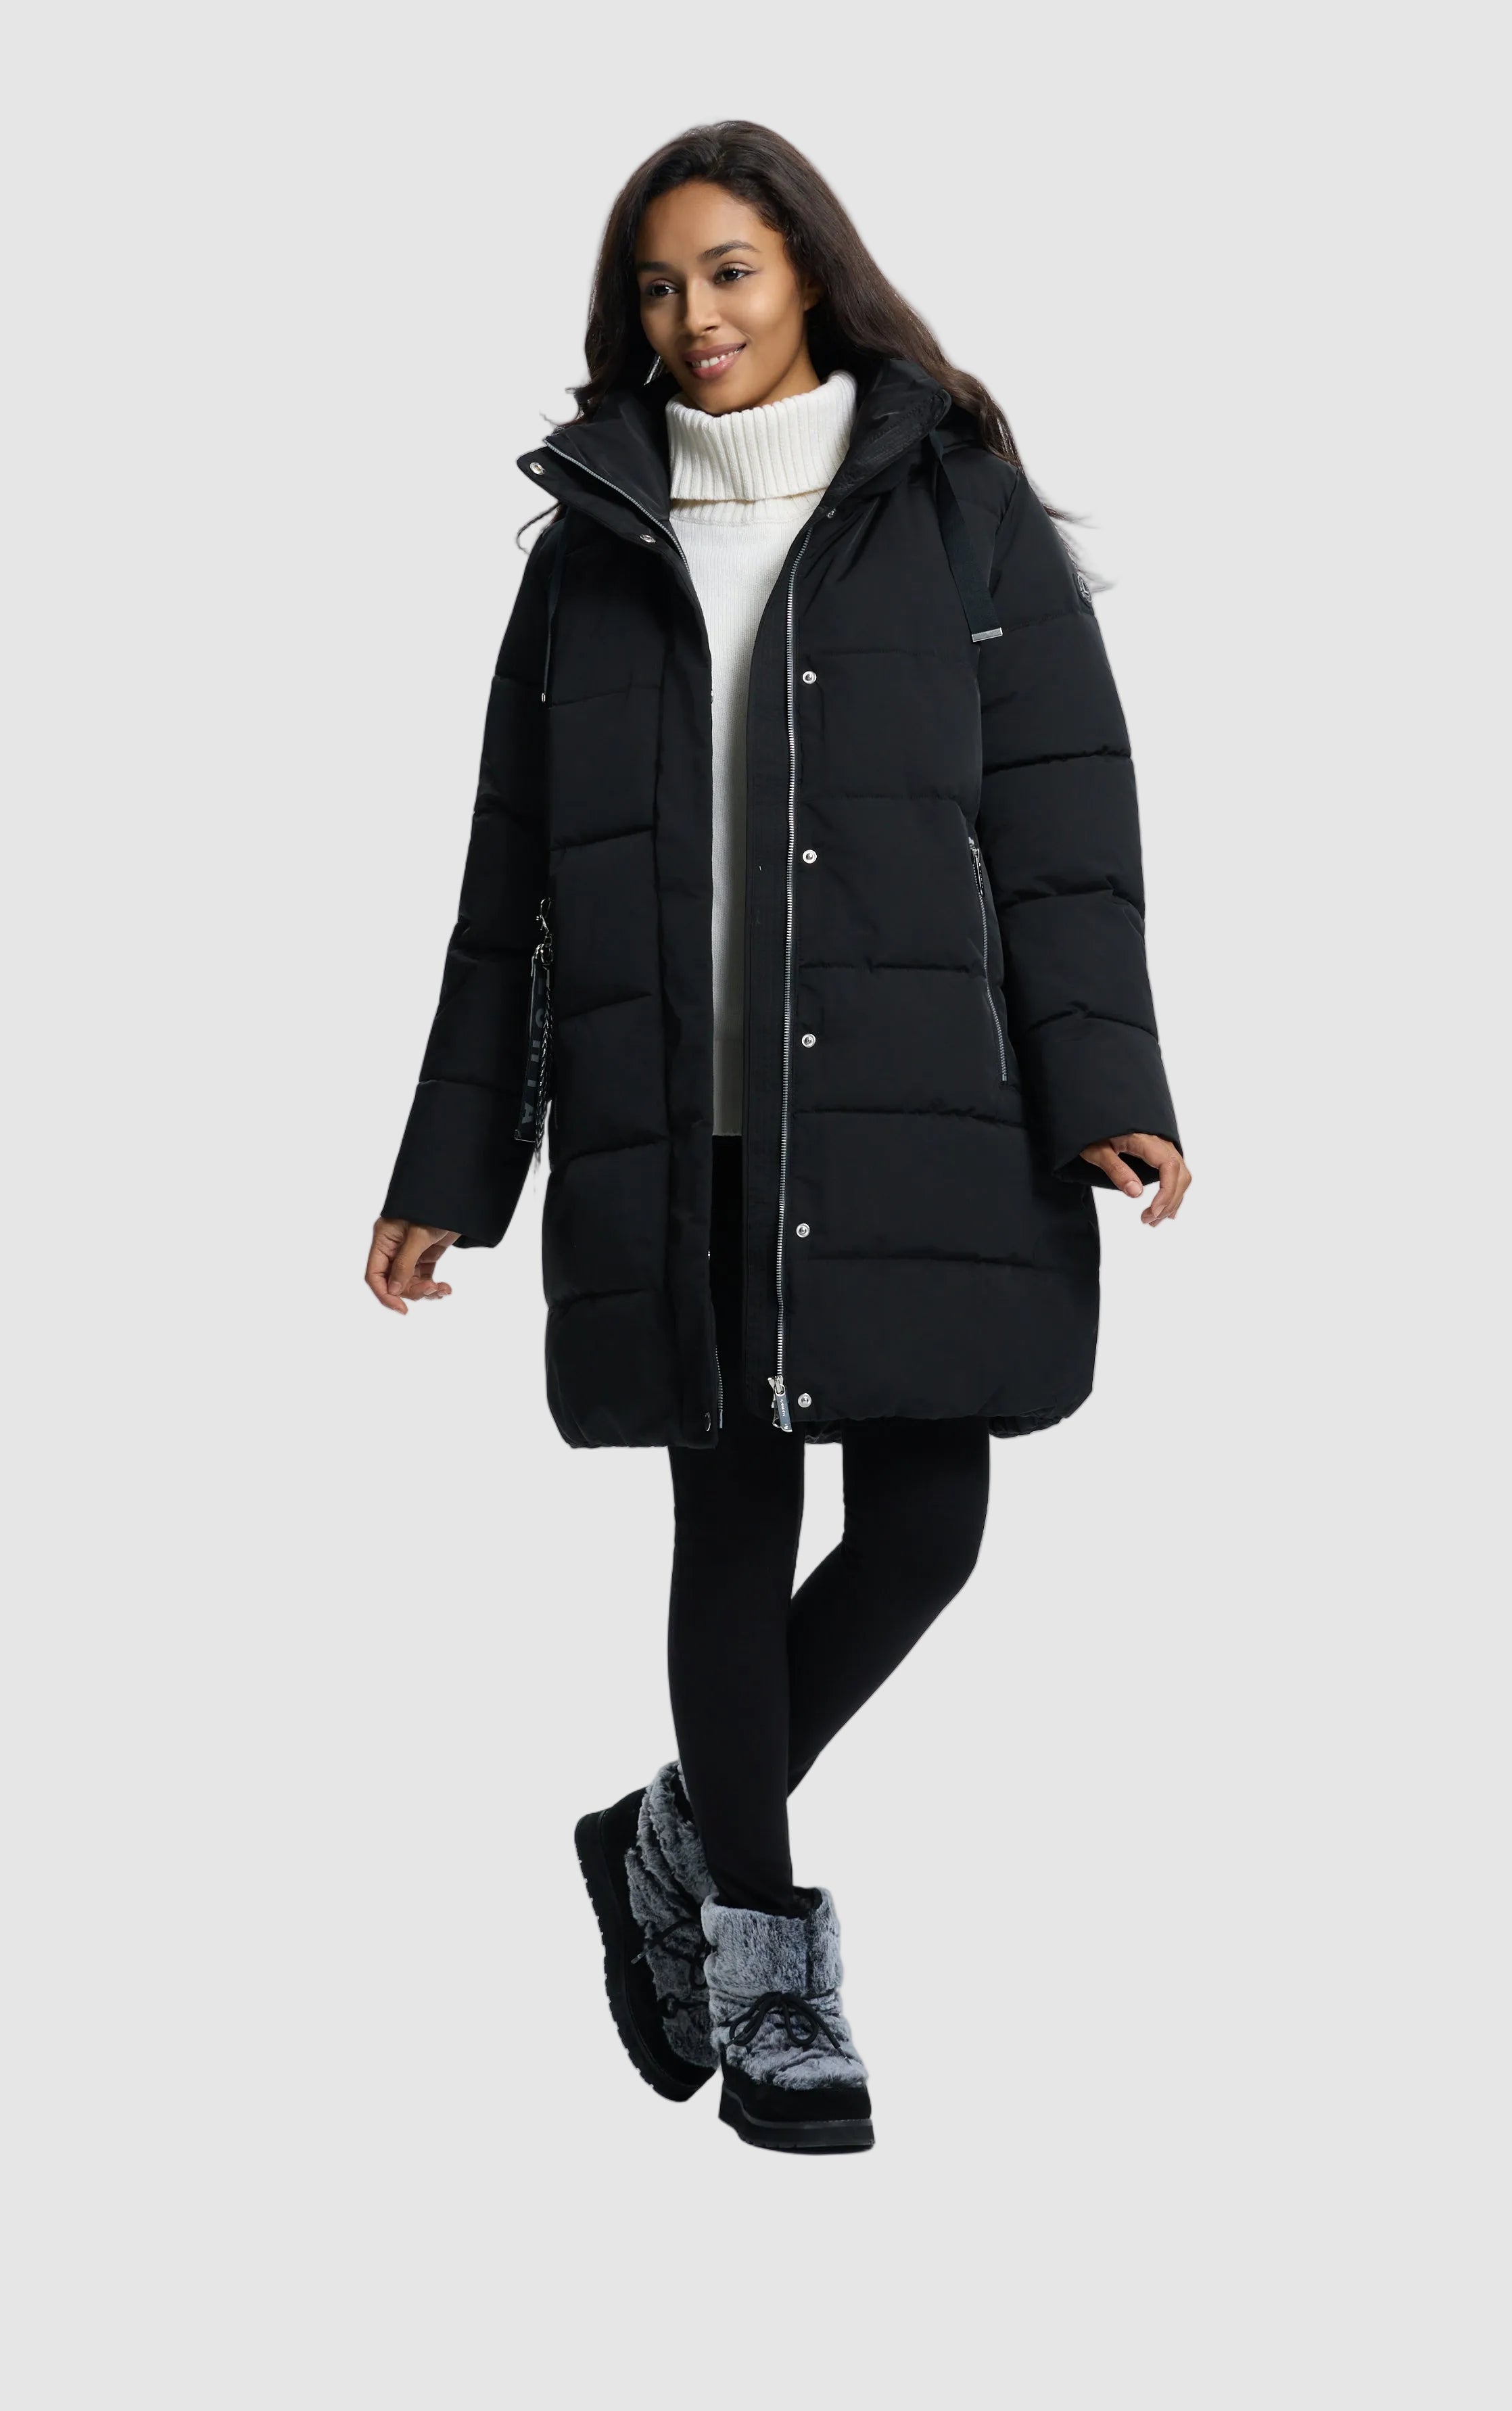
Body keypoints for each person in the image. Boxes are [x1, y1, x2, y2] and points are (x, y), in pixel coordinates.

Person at [367, 121, 1190, 2156]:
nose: (694, 316)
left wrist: (1109, 1084)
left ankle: (666, 1833)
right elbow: (506, 889)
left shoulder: (959, 515)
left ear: (808, 267)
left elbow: (1062, 828)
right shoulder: (589, 551)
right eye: (657, 286)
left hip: (920, 1110)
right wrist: (448, 1170)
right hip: (680, 1125)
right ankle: (763, 1960)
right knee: (730, 1525)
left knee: (926, 1530)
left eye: (727, 270)